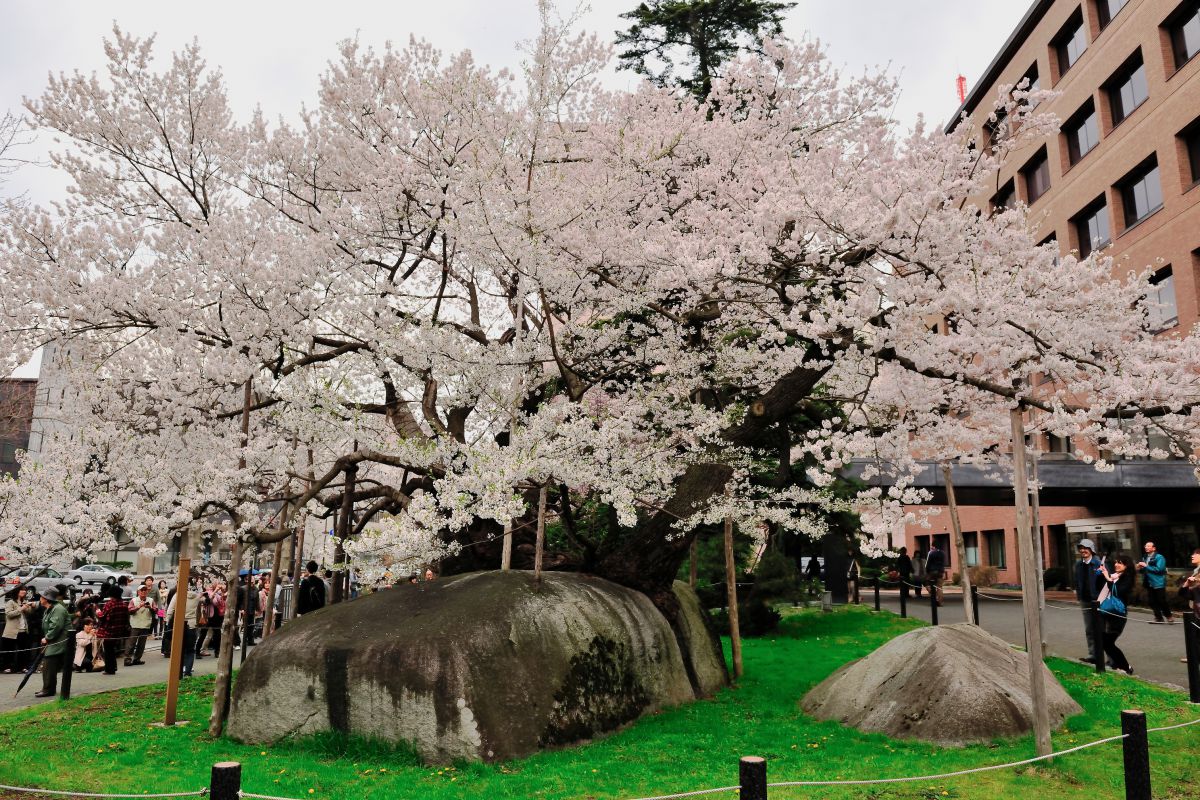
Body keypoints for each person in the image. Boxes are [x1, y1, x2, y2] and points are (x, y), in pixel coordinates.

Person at [1098, 554, 1136, 675]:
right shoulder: (1116, 576)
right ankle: (1120, 666)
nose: (1116, 564)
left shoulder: (1127, 577)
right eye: (1115, 562)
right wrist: (1103, 574)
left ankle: (1126, 667)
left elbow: (1118, 591)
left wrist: (1108, 579)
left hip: (1118, 615)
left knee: (1107, 643)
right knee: (1105, 642)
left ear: (1126, 565)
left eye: (1120, 562)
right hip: (1109, 612)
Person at [1074, 538, 1105, 664]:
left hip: (1098, 601)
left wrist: (1101, 599)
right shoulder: (1078, 565)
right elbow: (1077, 581)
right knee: (1089, 629)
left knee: (1101, 629)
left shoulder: (1099, 564)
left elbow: (1105, 583)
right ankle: (1093, 655)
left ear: (1091, 550)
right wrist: (1078, 594)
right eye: (1081, 548)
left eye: (1086, 548)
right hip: (1085, 601)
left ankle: (1107, 658)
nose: (1083, 550)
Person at [34, 587, 69, 697]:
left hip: (59, 642)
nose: (40, 598)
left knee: (49, 664)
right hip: (55, 641)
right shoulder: (51, 608)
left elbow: (56, 626)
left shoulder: (57, 609)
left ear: (46, 598)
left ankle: (48, 689)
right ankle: (48, 688)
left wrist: (47, 637)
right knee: (48, 665)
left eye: (42, 596)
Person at [165, 579, 200, 677]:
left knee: (179, 648)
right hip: (191, 625)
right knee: (190, 649)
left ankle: (178, 670)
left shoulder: (178, 595)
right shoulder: (196, 597)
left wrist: (168, 623)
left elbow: (170, 610)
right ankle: (188, 670)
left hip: (179, 624)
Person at [1136, 541, 1175, 624]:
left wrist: (1146, 566)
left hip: (1158, 582)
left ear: (1154, 548)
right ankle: (1158, 617)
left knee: (1161, 600)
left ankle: (1169, 616)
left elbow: (1159, 569)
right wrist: (1140, 568)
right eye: (1145, 546)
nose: (1146, 547)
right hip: (1149, 582)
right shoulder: (1145, 557)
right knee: (1151, 601)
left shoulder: (1159, 557)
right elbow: (1145, 571)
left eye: (1148, 546)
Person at [95, 588, 131, 676]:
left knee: (108, 650)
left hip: (108, 631)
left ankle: (109, 669)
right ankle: (113, 667)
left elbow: (102, 616)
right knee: (112, 649)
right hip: (119, 630)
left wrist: (97, 611)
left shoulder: (110, 604)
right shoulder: (123, 605)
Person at [3, 587, 34, 673]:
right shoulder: (10, 602)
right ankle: (8, 667)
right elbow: (9, 614)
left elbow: (29, 612)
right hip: (12, 631)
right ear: (17, 591)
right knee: (10, 650)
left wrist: (29, 607)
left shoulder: (24, 601)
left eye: (25, 590)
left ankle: (22, 667)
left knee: (23, 650)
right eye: (22, 590)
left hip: (23, 630)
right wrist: (22, 608)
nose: (24, 591)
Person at [125, 583, 155, 666]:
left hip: (145, 625)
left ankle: (137, 659)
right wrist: (138, 607)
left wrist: (150, 608)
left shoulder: (151, 600)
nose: (143, 592)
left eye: (145, 590)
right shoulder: (133, 600)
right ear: (138, 592)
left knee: (141, 645)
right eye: (142, 590)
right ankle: (127, 659)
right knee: (131, 643)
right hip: (135, 625)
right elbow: (130, 611)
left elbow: (156, 611)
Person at [925, 542, 946, 606]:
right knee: (939, 587)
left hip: (932, 571)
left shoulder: (931, 553)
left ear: (934, 546)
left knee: (926, 582)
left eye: (932, 546)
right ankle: (940, 602)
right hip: (940, 571)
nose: (931, 547)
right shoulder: (943, 553)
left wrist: (927, 571)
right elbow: (943, 563)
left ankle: (932, 593)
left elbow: (928, 564)